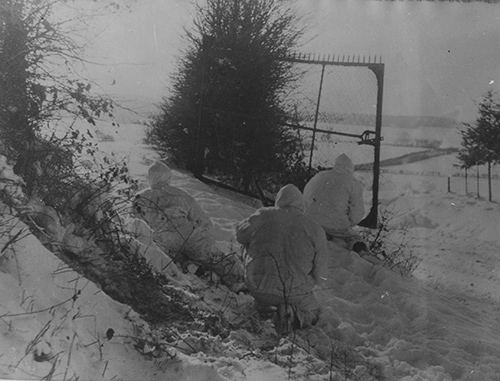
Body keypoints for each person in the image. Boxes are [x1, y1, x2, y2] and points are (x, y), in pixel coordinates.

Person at [236, 184, 328, 333]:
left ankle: (263, 306)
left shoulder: (263, 215)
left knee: (245, 243)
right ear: (301, 203)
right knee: (316, 312)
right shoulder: (314, 228)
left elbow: (240, 236)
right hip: (294, 295)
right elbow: (321, 276)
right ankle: (293, 314)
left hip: (257, 288)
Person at [133, 161, 243, 285]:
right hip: (189, 236)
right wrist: (204, 235)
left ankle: (191, 267)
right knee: (214, 258)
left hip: (163, 240)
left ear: (150, 177)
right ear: (168, 177)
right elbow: (201, 218)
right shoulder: (180, 194)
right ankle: (237, 280)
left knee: (177, 259)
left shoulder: (140, 198)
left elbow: (136, 223)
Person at [303, 153, 365, 249]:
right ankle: (359, 252)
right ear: (350, 168)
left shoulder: (320, 176)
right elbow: (357, 212)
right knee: (355, 238)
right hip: (336, 228)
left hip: (311, 222)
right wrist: (348, 223)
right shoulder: (353, 182)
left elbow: (305, 196)